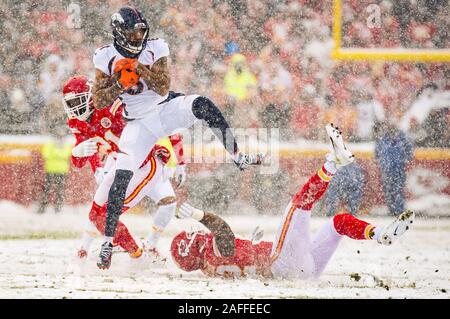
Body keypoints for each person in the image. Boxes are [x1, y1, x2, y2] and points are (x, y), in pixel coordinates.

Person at [91, 6, 263, 269]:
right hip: (137, 124)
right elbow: (99, 100)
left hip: (163, 111)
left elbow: (162, 85)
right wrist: (118, 83)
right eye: (133, 33)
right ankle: (107, 242)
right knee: (121, 176)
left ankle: (237, 156)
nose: (139, 38)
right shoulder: (105, 57)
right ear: (120, 33)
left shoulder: (156, 48)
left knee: (203, 105)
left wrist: (139, 70)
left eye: (141, 32)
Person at [170, 124, 415, 279]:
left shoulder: (209, 270)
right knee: (298, 204)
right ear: (192, 248)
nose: (194, 234)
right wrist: (200, 215)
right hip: (281, 263)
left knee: (338, 223)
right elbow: (223, 231)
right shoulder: (212, 252)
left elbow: (234, 254)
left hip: (301, 272)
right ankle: (333, 162)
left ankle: (380, 233)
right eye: (191, 237)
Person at [62, 75, 187, 260]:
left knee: (108, 214)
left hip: (144, 164)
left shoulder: (113, 105)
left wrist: (180, 160)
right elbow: (79, 162)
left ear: (90, 95)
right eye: (70, 103)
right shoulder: (77, 121)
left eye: (77, 101)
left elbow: (160, 121)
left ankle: (144, 251)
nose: (74, 108)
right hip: (120, 163)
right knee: (98, 213)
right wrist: (77, 153)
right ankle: (93, 249)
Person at [374, 121, 414, 216]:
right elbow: (377, 153)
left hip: (399, 170)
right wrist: (382, 163)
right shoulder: (382, 140)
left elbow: (410, 151)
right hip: (387, 170)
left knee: (398, 190)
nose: (391, 131)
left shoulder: (403, 139)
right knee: (388, 191)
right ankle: (392, 210)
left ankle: (400, 210)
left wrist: (404, 160)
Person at [38, 126, 72, 214]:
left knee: (58, 191)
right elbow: (46, 154)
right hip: (52, 169)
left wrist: (56, 154)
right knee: (48, 190)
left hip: (60, 170)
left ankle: (57, 208)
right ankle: (44, 207)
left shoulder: (64, 145)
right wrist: (60, 154)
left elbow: (66, 154)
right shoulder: (52, 144)